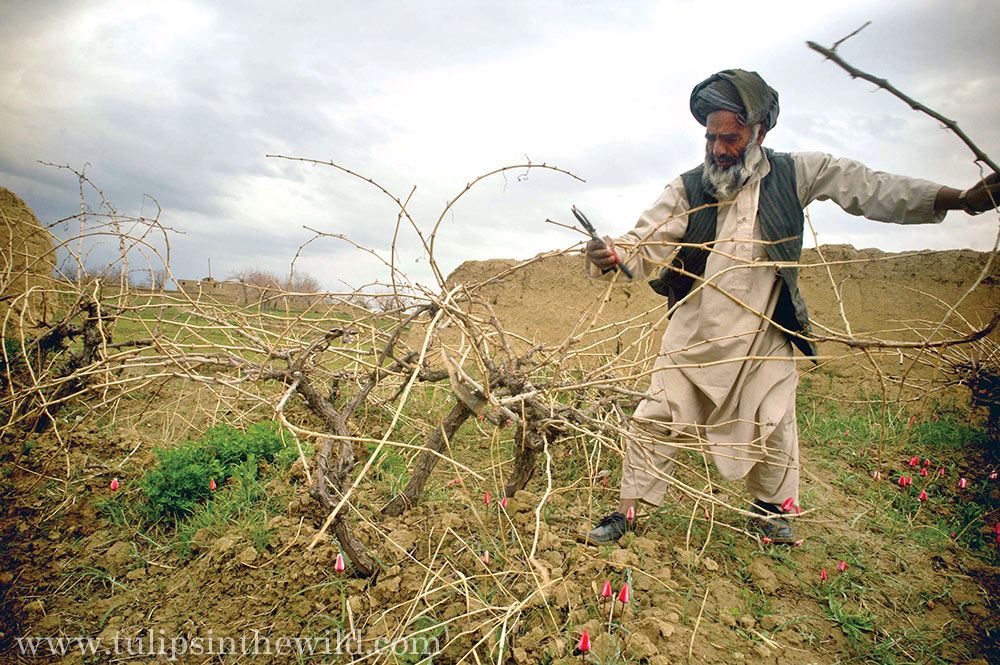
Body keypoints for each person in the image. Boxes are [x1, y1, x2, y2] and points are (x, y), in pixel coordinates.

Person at [584, 68, 999, 545]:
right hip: (695, 332)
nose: (719, 148)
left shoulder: (797, 173)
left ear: (760, 132)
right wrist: (614, 254)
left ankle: (773, 513)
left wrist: (960, 198)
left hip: (765, 329)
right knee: (656, 415)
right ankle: (628, 512)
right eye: (712, 137)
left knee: (774, 421)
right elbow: (645, 240)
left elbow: (870, 188)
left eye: (732, 137)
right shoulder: (686, 187)